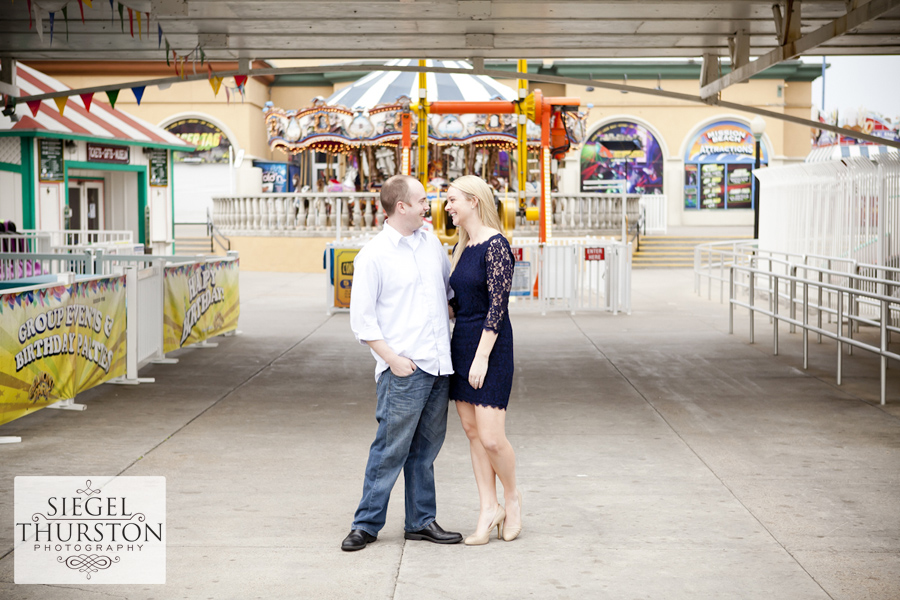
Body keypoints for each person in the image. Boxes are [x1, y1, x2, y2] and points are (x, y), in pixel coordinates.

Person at [342, 174, 462, 551]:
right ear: (401, 207)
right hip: (404, 370)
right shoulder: (373, 255)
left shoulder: (431, 245)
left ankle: (421, 521)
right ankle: (366, 524)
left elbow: (447, 295)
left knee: (425, 452)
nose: (430, 206)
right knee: (389, 450)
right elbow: (362, 321)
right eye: (423, 200)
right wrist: (394, 361)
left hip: (439, 366)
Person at [444, 175, 522, 545]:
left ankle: (512, 498)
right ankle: (487, 508)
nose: (447, 207)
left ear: (474, 200)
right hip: (461, 343)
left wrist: (481, 358)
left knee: (492, 437)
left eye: (452, 200)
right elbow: (459, 303)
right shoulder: (461, 247)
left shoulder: (496, 245)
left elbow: (497, 307)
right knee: (473, 433)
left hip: (490, 347)